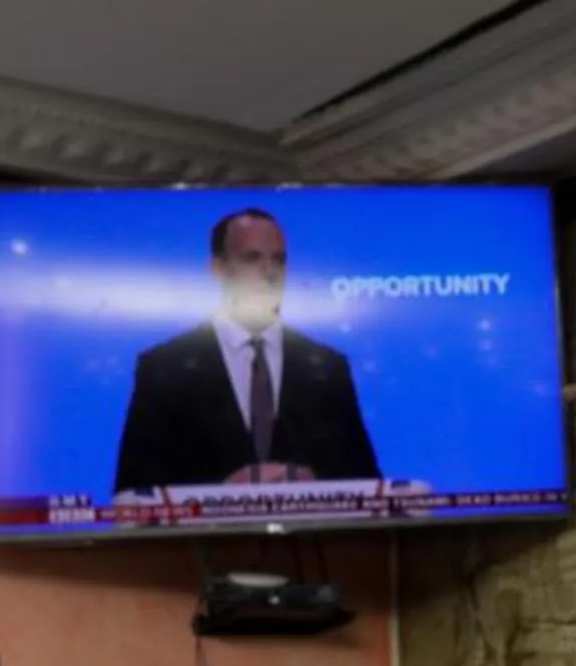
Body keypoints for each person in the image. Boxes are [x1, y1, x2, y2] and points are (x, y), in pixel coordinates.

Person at [112, 208, 380, 495]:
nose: (270, 272)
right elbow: (134, 492)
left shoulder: (328, 367)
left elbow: (366, 483)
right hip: (207, 540)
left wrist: (312, 483)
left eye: (279, 259)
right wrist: (223, 494)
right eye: (252, 258)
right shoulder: (164, 367)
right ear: (218, 269)